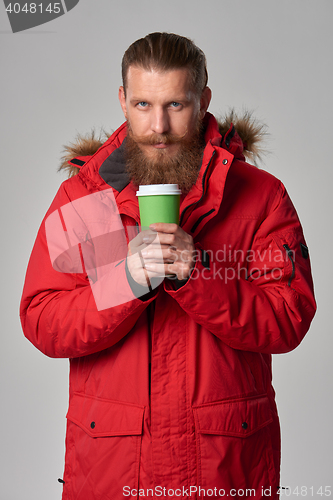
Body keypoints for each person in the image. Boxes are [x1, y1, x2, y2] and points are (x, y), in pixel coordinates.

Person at [20, 32, 316, 500]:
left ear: (203, 101)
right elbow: (42, 319)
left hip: (224, 472)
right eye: (142, 104)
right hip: (113, 472)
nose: (158, 126)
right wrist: (128, 283)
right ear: (122, 100)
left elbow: (288, 318)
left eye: (176, 105)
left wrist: (198, 277)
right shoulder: (87, 198)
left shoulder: (260, 196)